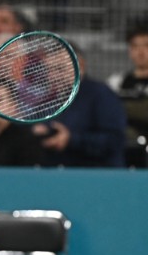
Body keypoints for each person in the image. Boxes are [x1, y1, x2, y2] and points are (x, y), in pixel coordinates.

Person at [32, 49, 127, 167]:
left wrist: (71, 140)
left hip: (97, 176)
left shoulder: (101, 94)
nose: (54, 76)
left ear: (80, 65)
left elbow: (114, 141)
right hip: (56, 176)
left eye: (59, 69)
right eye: (49, 70)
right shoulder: (47, 101)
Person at [107, 27, 148, 167]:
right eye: (135, 46)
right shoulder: (116, 82)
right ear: (130, 51)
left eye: (146, 45)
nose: (141, 52)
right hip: (122, 148)